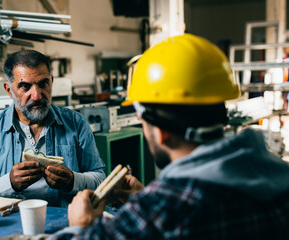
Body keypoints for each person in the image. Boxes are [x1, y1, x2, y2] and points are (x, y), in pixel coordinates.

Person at [48, 34, 289, 239]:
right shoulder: (278, 176)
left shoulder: (161, 210)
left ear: (161, 132)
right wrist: (146, 196)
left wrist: (82, 227)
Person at [0, 50, 106, 207]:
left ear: (51, 81)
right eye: (25, 86)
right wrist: (9, 184)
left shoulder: (76, 123)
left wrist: (73, 181)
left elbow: (101, 180)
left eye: (43, 83)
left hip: (66, 221)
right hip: (9, 224)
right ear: (9, 90)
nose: (36, 95)